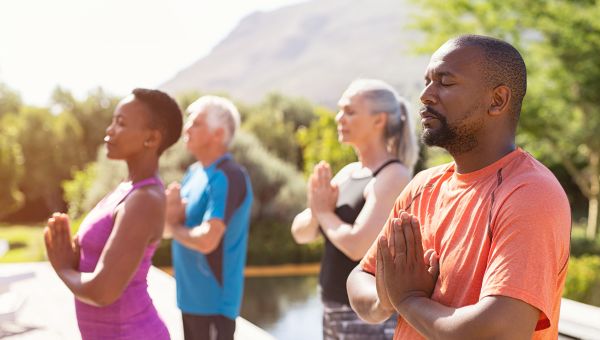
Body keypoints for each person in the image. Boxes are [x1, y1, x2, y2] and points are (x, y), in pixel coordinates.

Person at [347, 35, 572, 339]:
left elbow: (501, 330)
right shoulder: (423, 187)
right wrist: (385, 297)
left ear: (497, 101)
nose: (426, 95)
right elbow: (361, 276)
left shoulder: (530, 193)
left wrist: (409, 300)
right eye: (427, 81)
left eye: (445, 82)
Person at [44, 88, 183, 339]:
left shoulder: (144, 199)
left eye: (121, 123)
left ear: (151, 139)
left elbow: (103, 292)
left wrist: (64, 268)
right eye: (112, 121)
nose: (109, 130)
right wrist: (75, 258)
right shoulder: (126, 189)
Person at [291, 79, 420, 339]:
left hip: (367, 318)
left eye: (349, 111)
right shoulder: (349, 173)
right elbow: (301, 233)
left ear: (378, 120)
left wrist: (323, 213)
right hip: (333, 310)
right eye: (340, 110)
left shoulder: (394, 176)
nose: (339, 118)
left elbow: (357, 246)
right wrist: (318, 211)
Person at [163, 95, 253, 340]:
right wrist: (169, 216)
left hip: (214, 305)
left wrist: (172, 226)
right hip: (189, 300)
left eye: (197, 123)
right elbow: (168, 229)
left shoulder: (228, 176)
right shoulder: (194, 173)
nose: (187, 127)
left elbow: (207, 240)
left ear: (218, 133)